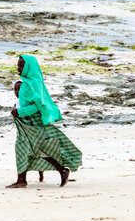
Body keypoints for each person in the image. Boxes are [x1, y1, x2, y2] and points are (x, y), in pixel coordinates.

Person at [7, 55, 82, 188]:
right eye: (18, 65)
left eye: (21, 65)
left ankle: (23, 180)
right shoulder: (27, 83)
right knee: (28, 148)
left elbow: (39, 105)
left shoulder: (33, 84)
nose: (18, 68)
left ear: (29, 67)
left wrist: (20, 112)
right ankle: (24, 179)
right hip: (26, 122)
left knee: (28, 147)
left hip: (33, 122)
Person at [14, 81, 47, 183]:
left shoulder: (28, 103)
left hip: (31, 133)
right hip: (22, 133)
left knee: (37, 153)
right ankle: (23, 178)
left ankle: (40, 174)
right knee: (24, 155)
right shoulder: (17, 103)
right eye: (15, 89)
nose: (17, 91)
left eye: (19, 89)